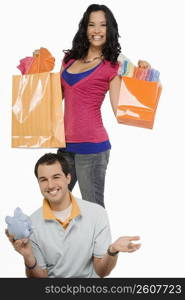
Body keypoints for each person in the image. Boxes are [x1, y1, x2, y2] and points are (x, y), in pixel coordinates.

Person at [57, 4, 151, 207]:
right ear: (85, 28)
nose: (97, 30)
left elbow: (120, 110)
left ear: (110, 30)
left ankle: (102, 241)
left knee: (93, 210)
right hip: (64, 146)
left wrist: (143, 76)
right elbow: (53, 100)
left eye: (103, 25)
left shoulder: (112, 66)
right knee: (56, 206)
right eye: (92, 24)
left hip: (92, 147)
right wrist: (34, 69)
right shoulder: (69, 60)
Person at [6, 153, 141, 278]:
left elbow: (102, 271)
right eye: (43, 180)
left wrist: (112, 250)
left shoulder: (97, 214)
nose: (51, 185)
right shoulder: (32, 225)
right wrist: (28, 257)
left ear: (68, 178)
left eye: (56, 177)